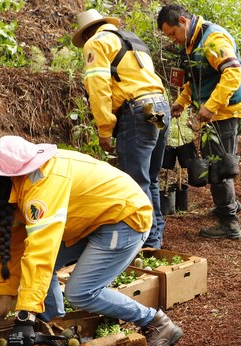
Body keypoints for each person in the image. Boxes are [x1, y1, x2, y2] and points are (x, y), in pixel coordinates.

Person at [0, 135, 184, 346]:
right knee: (36, 270)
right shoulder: (17, 183)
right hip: (91, 221)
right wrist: (5, 297)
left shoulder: (40, 187)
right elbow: (12, 246)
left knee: (81, 292)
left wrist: (24, 316)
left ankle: (158, 323)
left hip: (124, 218)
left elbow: (41, 252)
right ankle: (51, 320)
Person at [73, 9, 171, 250]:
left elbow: (98, 88)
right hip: (159, 108)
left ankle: (142, 242)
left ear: (87, 33)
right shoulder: (133, 41)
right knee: (151, 178)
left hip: (137, 112)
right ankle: (153, 239)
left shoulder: (96, 43)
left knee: (136, 182)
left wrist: (104, 129)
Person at [158, 4, 241, 240]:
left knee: (218, 166)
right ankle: (229, 205)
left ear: (182, 21)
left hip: (225, 110)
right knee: (221, 162)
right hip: (217, 110)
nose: (173, 39)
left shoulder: (213, 40)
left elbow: (233, 73)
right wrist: (182, 102)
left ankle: (229, 223)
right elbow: (196, 79)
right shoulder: (194, 42)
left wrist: (211, 106)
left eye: (172, 33)